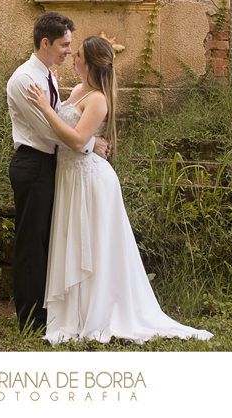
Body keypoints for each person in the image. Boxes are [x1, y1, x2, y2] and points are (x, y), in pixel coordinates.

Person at [26, 35, 214, 345]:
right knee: (73, 240)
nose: (73, 56)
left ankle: (98, 312)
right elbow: (69, 128)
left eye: (80, 55)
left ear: (91, 64)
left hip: (90, 181)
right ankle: (73, 313)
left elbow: (74, 140)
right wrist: (55, 100)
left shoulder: (99, 98)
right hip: (70, 176)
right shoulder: (76, 90)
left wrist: (47, 108)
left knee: (94, 246)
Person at [6, 12, 111, 333]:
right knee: (31, 245)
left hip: (53, 166)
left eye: (72, 47)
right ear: (45, 43)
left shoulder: (48, 74)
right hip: (33, 164)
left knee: (51, 242)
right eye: (65, 45)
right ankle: (30, 321)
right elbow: (49, 130)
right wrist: (90, 142)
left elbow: (63, 117)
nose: (69, 51)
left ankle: (54, 312)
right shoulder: (26, 79)